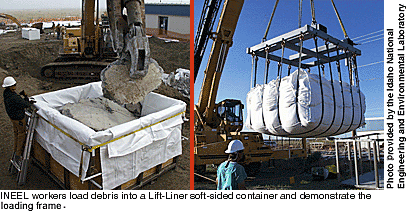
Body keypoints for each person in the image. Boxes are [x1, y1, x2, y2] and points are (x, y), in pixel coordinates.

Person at [2, 77, 34, 163]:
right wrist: (26, 96)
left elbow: (18, 102)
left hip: (13, 119)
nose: (15, 87)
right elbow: (25, 104)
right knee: (21, 135)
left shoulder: (6, 93)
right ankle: (18, 155)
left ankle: (15, 151)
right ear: (10, 86)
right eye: (14, 85)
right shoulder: (14, 97)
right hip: (19, 119)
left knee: (16, 134)